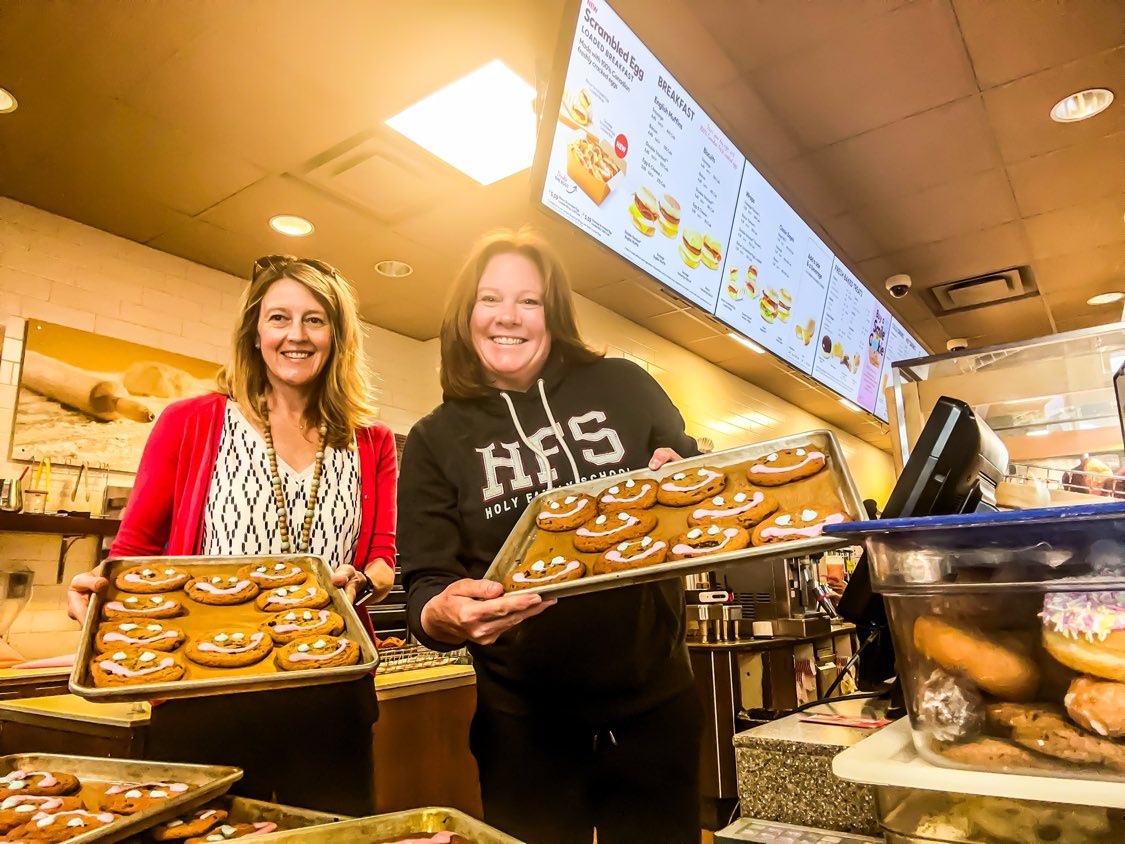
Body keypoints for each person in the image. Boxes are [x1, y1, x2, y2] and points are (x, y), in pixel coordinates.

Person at [398, 228, 702, 843]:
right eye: (490, 299)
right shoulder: (434, 440)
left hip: (655, 709)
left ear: (552, 313)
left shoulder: (624, 385)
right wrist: (442, 613)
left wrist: (690, 489)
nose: (507, 316)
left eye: (528, 301)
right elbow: (425, 583)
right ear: (466, 314)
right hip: (523, 728)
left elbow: (693, 476)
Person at [68, 255, 397, 815]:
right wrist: (97, 598)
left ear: (338, 336)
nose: (296, 335)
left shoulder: (372, 441)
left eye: (315, 320)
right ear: (254, 331)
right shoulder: (190, 422)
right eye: (279, 318)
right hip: (206, 698)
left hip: (331, 694)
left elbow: (383, 560)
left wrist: (359, 583)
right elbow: (132, 555)